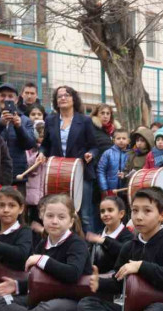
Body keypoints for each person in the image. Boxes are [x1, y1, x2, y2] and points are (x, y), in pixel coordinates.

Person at [40, 86, 101, 233]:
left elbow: (94, 147)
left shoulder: (85, 120)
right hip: (57, 174)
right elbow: (45, 145)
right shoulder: (50, 120)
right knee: (58, 213)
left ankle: (88, 250)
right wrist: (41, 153)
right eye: (59, 96)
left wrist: (90, 154)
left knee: (83, 215)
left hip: (81, 173)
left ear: (73, 99)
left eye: (66, 95)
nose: (62, 98)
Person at [0, 83, 36, 193]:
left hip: (17, 174)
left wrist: (19, 127)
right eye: (2, 95)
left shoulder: (25, 120)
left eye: (10, 96)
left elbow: (29, 144)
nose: (6, 99)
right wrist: (0, 123)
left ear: (16, 100)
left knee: (17, 208)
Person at [87, 196, 133, 274]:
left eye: (110, 210)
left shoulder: (127, 235)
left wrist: (105, 241)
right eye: (102, 211)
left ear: (121, 214)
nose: (105, 214)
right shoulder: (99, 234)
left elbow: (125, 252)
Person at [97, 128, 129, 198]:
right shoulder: (107, 153)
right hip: (110, 189)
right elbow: (101, 170)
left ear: (128, 141)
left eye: (124, 138)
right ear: (114, 140)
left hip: (125, 190)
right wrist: (104, 187)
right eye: (118, 138)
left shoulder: (131, 154)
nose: (121, 140)